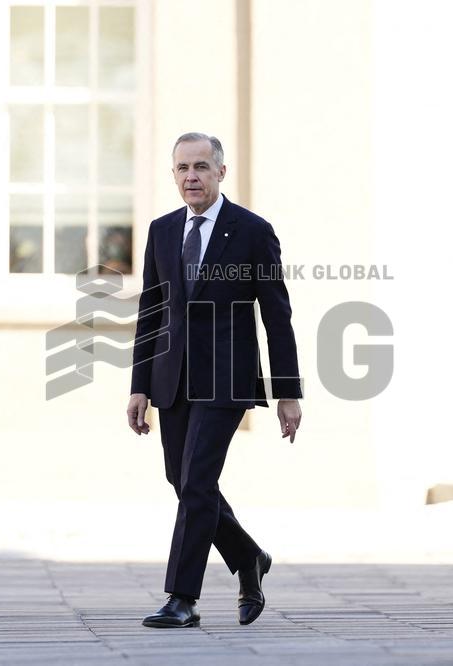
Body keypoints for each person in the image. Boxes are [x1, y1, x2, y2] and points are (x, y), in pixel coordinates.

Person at [126, 132, 303, 628]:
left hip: (226, 379)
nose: (191, 177)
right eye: (182, 168)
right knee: (181, 481)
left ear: (221, 172)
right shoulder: (162, 231)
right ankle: (249, 559)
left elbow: (277, 316)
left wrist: (287, 391)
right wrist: (139, 384)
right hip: (172, 378)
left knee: (198, 481)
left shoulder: (251, 231)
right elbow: (151, 313)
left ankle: (182, 597)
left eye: (201, 167)